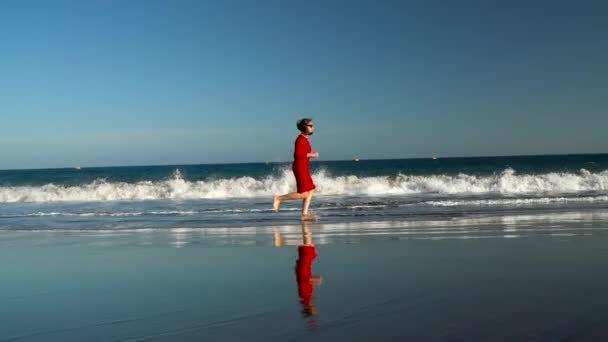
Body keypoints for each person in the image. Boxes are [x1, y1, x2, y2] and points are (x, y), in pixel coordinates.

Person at [273, 118, 319, 220]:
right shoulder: (300, 139)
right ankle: (279, 198)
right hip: (300, 167)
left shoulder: (304, 139)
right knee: (303, 193)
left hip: (303, 167)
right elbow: (297, 154)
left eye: (312, 125)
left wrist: (310, 155)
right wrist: (312, 155)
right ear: (304, 127)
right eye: (310, 126)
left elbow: (302, 153)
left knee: (311, 190)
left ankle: (304, 215)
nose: (313, 127)